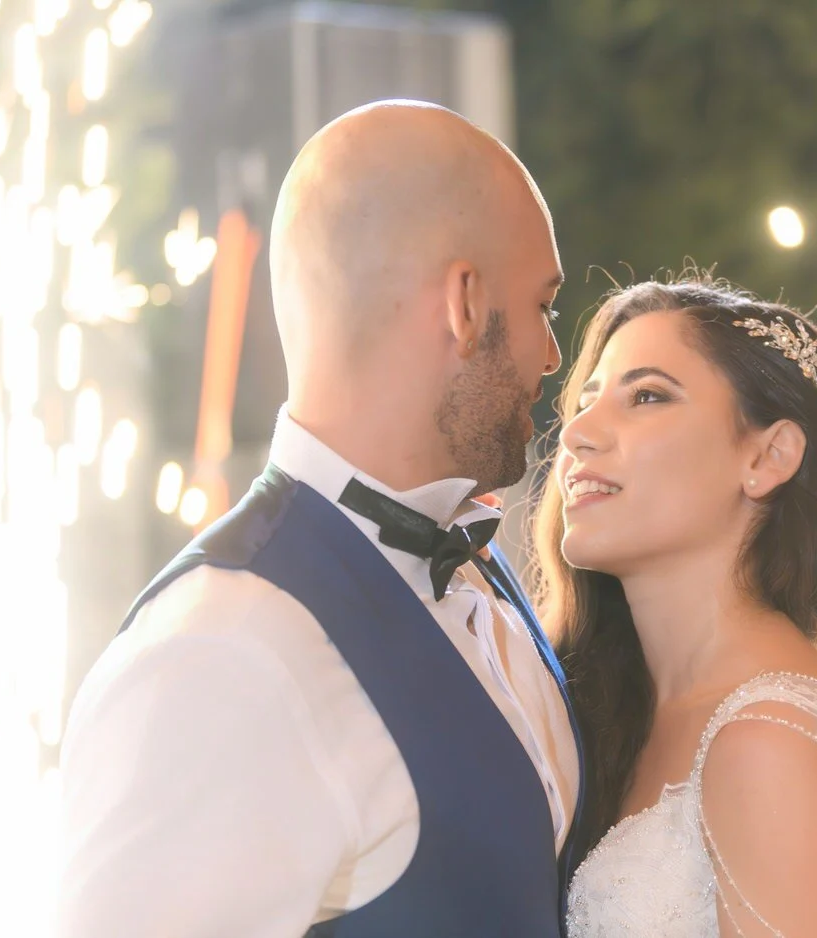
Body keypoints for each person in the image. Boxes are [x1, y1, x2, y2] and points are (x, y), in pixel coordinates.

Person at [58, 100, 580, 935]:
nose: (552, 355)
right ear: (463, 302)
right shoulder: (216, 660)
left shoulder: (482, 568)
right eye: (543, 306)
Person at [549, 279, 817, 936]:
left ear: (767, 457)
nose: (576, 431)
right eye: (587, 398)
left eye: (647, 396)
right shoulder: (622, 708)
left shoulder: (770, 739)